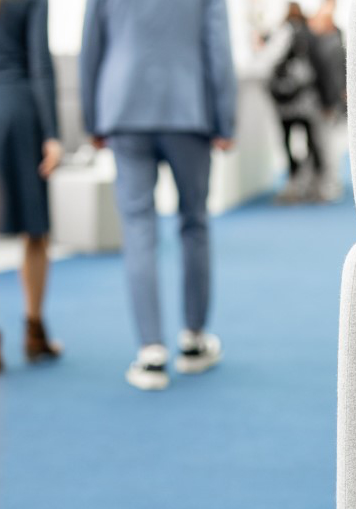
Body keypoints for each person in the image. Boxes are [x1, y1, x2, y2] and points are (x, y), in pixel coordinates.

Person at [80, 0, 236, 390]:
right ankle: (194, 341)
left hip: (124, 107)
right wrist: (226, 118)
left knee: (137, 228)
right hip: (188, 108)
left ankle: (151, 354)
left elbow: (91, 47)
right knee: (194, 224)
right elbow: (217, 45)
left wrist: (92, 117)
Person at [0, 0, 63, 372]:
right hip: (21, 112)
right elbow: (41, 63)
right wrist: (52, 133)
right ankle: (35, 332)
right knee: (35, 229)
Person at [267, 2, 331, 203]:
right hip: (306, 101)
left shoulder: (279, 34)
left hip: (284, 104)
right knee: (311, 140)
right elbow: (321, 68)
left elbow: (268, 66)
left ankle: (294, 180)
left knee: (287, 140)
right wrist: (327, 100)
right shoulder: (309, 35)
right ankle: (315, 183)